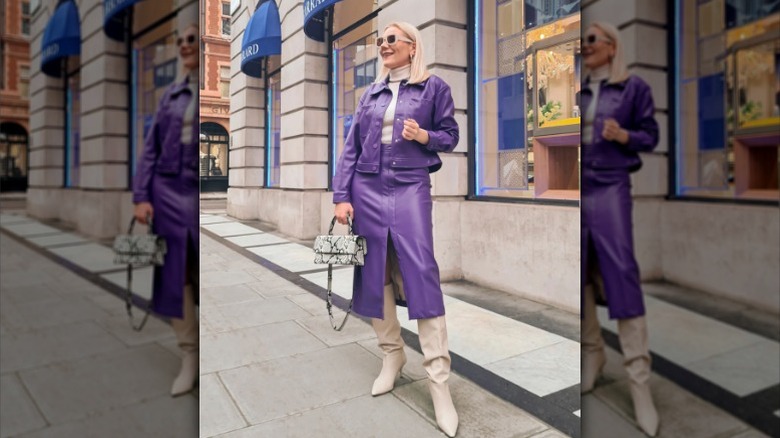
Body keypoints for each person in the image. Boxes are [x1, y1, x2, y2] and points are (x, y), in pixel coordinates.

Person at [332, 21, 460, 437]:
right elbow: (350, 147)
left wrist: (423, 134)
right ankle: (392, 355)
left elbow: (450, 135)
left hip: (410, 185)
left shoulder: (434, 87)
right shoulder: (370, 92)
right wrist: (340, 196)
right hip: (366, 187)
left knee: (421, 271)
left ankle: (439, 381)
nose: (383, 46)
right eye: (379, 41)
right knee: (374, 271)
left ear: (411, 46)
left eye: (391, 40)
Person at [580, 22, 660, 437]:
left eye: (592, 39)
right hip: (577, 186)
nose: (584, 46)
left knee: (621, 275)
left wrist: (624, 133)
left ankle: (639, 382)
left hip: (610, 185)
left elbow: (651, 135)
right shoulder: (572, 86)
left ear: (612, 47)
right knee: (580, 275)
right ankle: (593, 354)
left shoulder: (633, 88)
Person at [133, 21, 200, 397]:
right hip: (168, 190)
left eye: (192, 39)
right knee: (177, 276)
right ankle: (189, 355)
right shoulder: (170, 95)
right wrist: (142, 196)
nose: (185, 46)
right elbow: (150, 148)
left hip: (197, 189)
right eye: (181, 42)